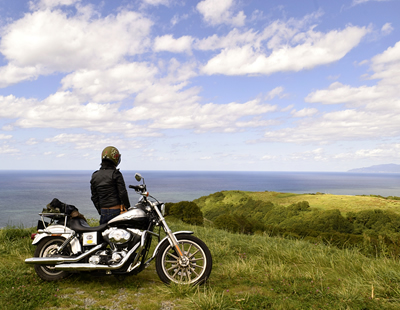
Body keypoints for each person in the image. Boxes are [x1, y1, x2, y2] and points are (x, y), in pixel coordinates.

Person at [90, 146, 131, 224]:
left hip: (103, 212)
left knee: (103, 234)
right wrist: (127, 208)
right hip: (116, 211)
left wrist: (100, 210)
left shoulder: (95, 175)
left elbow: (94, 197)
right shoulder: (116, 174)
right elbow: (122, 193)